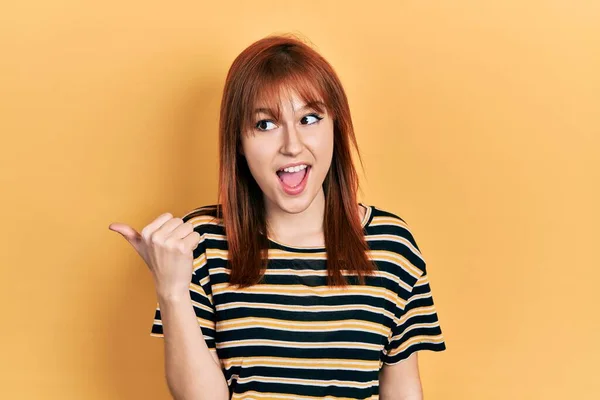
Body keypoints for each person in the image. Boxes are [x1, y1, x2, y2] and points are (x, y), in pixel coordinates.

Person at [109, 34, 446, 400]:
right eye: (265, 125)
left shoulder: (390, 246)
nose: (291, 145)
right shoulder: (199, 244)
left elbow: (402, 390)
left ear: (337, 126)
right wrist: (171, 290)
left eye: (310, 118)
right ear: (238, 140)